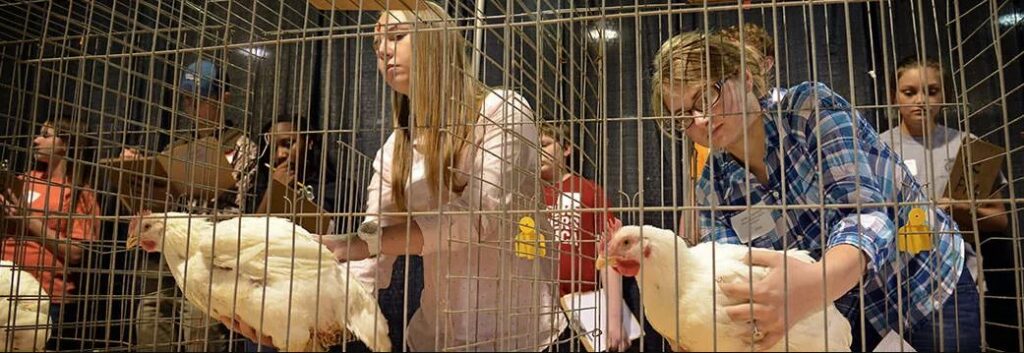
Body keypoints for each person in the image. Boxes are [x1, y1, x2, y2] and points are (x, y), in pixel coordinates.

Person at [651, 31, 978, 351]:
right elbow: (736, 282)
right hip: (843, 319)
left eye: (707, 95)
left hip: (923, 285)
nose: (701, 119)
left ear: (746, 78)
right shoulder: (712, 188)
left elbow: (867, 214)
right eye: (682, 115)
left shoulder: (808, 109)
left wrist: (815, 284)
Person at [314, 2, 564, 351]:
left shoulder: (502, 110)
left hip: (518, 334)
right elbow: (374, 230)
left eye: (396, 36)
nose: (383, 50)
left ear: (437, 41)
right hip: (434, 335)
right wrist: (327, 319)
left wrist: (359, 242)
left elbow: (477, 219)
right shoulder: (395, 147)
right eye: (375, 44)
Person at [239, 114, 425, 352]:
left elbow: (358, 242)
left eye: (288, 143)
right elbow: (246, 241)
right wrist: (275, 190)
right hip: (271, 302)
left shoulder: (339, 188)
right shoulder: (259, 190)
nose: (281, 154)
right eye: (273, 147)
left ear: (310, 142)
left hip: (326, 302)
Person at [879, 56, 1008, 351]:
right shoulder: (878, 147)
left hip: (953, 284)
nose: (921, 101)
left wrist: (955, 208)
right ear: (893, 96)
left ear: (944, 95)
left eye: (932, 91)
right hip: (892, 285)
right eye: (909, 92)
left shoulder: (967, 145)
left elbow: (999, 219)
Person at [131, 58, 258, 352]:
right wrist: (137, 173)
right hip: (165, 253)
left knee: (199, 326)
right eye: (187, 99)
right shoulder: (175, 145)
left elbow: (238, 201)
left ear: (223, 99)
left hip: (207, 253)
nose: (191, 107)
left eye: (200, 99)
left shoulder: (241, 144)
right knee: (151, 317)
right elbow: (157, 196)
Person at [0, 115, 100, 349]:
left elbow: (76, 253)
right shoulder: (24, 180)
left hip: (43, 297)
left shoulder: (79, 194)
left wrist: (29, 220)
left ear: (66, 143)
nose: (35, 140)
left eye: (45, 135)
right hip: (4, 288)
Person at [538, 123, 629, 352]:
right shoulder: (525, 193)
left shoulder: (590, 191)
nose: (537, 152)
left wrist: (614, 318)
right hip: (535, 312)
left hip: (582, 309)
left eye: (544, 145)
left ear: (566, 148)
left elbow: (609, 255)